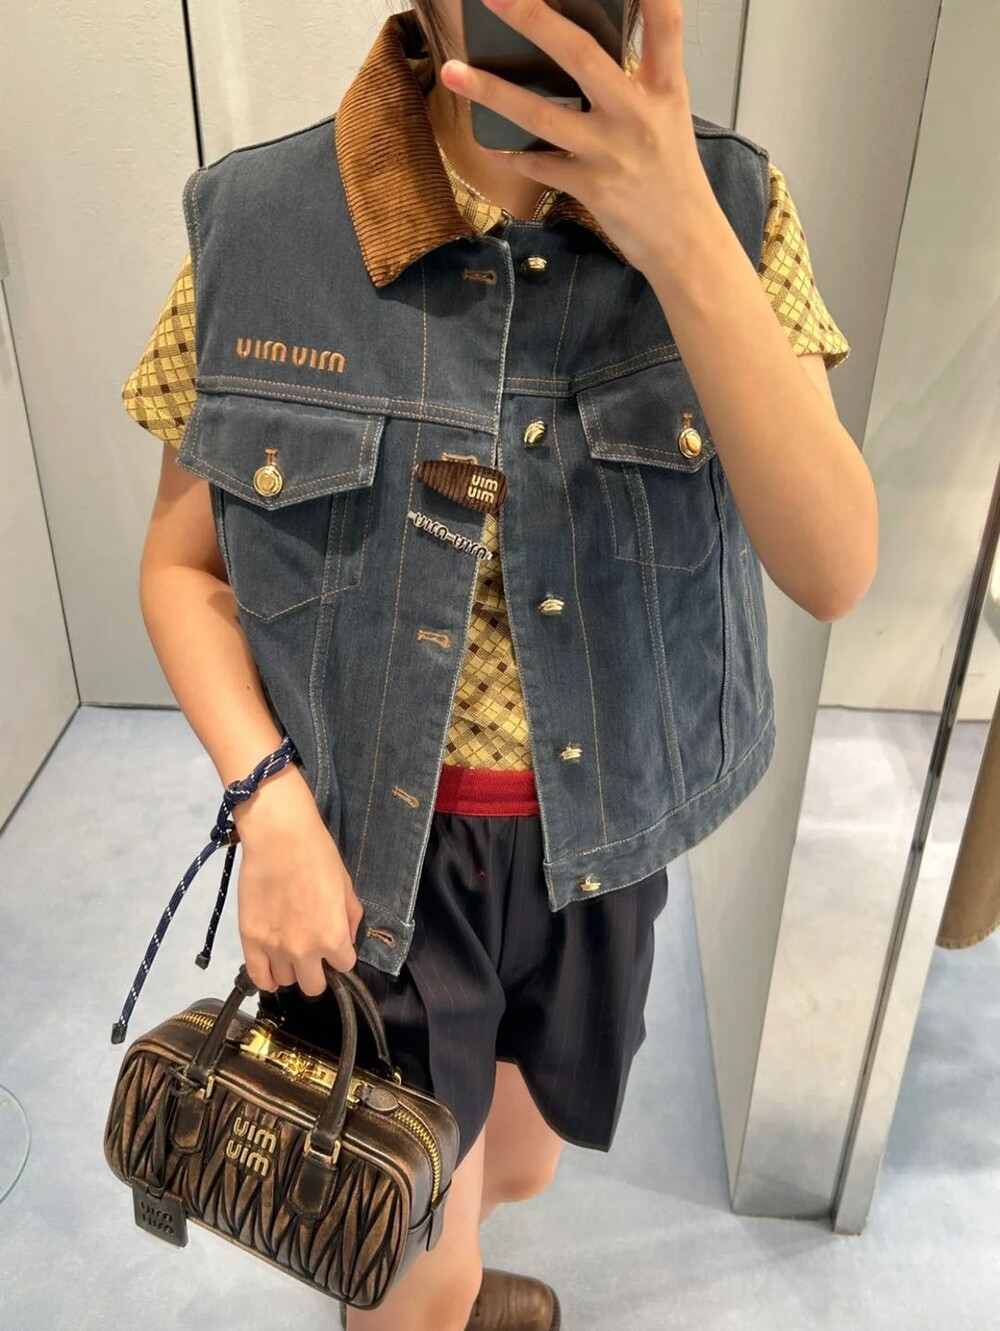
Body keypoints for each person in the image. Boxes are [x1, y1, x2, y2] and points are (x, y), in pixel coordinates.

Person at [123, 2, 875, 1328]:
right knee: (409, 1250)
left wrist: (683, 236)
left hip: (600, 847)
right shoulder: (260, 229)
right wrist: (267, 804)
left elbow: (833, 568)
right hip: (375, 869)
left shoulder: (737, 210)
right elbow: (183, 570)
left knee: (516, 1161)